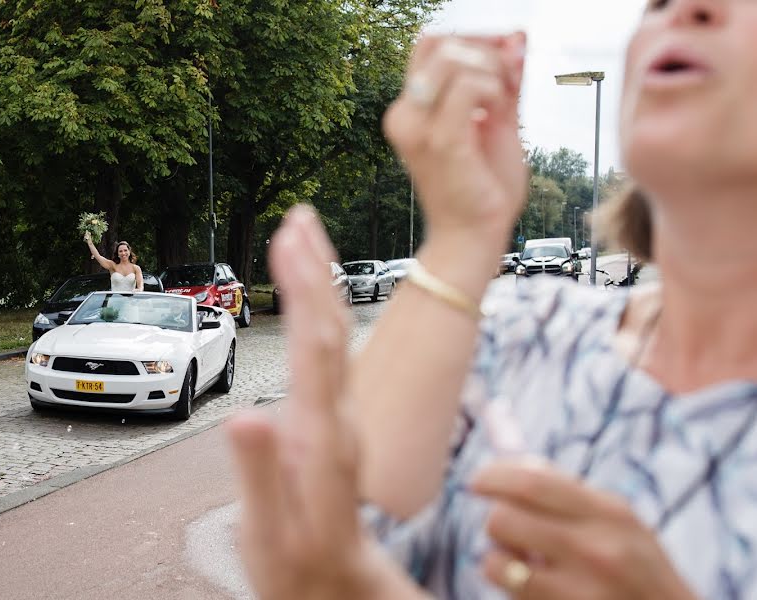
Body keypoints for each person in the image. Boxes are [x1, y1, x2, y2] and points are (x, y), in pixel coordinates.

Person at [228, 2, 757, 599]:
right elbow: (345, 548)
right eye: (656, 4)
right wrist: (464, 229)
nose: (687, 8)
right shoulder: (527, 328)